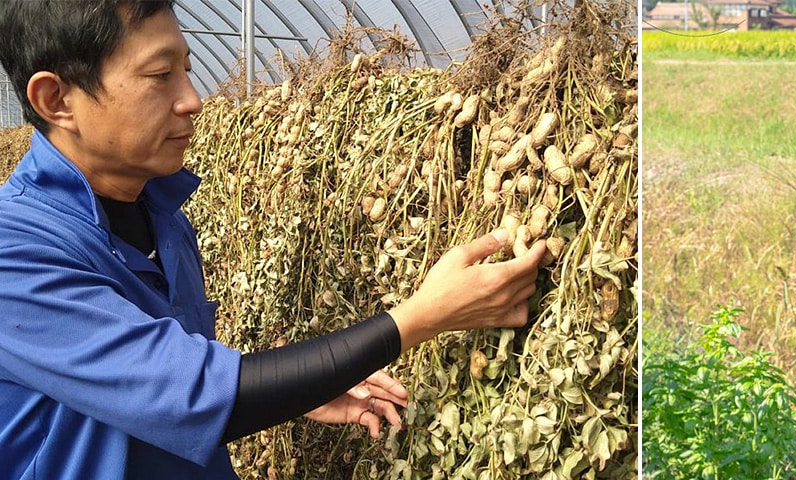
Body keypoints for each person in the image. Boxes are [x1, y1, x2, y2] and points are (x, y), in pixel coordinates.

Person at [0, 1, 546, 478]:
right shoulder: (16, 251)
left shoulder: (161, 214)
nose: (192, 99)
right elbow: (193, 394)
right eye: (160, 75)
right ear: (56, 99)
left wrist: (295, 388)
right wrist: (425, 317)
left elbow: (163, 371)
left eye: (186, 69)